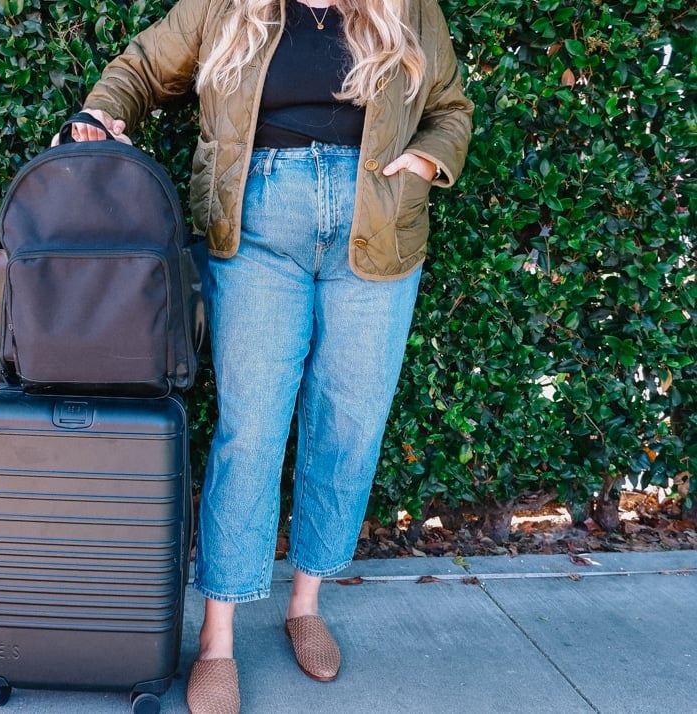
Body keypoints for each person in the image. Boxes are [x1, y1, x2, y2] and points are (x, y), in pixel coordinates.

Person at [73, 0, 472, 710]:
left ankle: (305, 604)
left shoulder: (407, 7)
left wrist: (424, 161)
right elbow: (141, 66)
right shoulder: (226, 5)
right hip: (256, 225)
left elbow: (449, 107)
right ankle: (219, 636)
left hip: (376, 226)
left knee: (348, 425)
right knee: (251, 433)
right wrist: (99, 115)